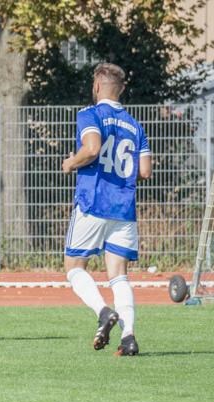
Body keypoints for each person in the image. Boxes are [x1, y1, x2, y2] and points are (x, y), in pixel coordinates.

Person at [60, 63, 152, 356]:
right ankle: (129, 336)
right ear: (121, 89)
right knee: (118, 275)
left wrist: (71, 163)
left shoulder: (90, 114)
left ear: (97, 86)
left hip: (94, 202)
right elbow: (145, 171)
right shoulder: (135, 125)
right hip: (123, 208)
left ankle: (103, 311)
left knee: (74, 267)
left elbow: (92, 148)